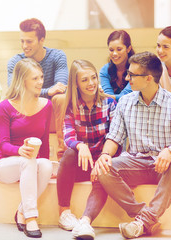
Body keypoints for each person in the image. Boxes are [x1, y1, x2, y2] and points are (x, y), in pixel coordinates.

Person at [94, 52, 171, 239]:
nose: (127, 78)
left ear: (149, 78)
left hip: (165, 167)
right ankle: (145, 219)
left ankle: (141, 221)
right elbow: (114, 138)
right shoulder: (125, 102)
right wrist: (104, 155)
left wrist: (170, 150)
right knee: (103, 168)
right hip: (135, 162)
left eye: (132, 75)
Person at [56, 60, 119, 240]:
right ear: (75, 83)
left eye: (93, 78)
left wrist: (102, 159)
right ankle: (64, 212)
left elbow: (116, 136)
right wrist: (81, 145)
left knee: (108, 166)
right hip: (83, 163)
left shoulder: (109, 103)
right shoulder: (70, 107)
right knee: (69, 154)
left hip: (104, 162)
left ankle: (85, 221)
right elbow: (68, 136)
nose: (91, 83)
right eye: (84, 80)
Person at [0, 58, 53, 238]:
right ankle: (32, 217)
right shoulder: (5, 106)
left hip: (29, 162)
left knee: (47, 166)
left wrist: (46, 163)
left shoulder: (46, 105)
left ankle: (21, 211)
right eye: (34, 78)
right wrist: (19, 151)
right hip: (4, 164)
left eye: (41, 77)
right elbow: (3, 145)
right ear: (22, 80)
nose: (40, 82)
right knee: (28, 161)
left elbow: (45, 141)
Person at [7, 18, 69, 160]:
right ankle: (11, 153)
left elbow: (60, 88)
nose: (24, 46)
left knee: (60, 98)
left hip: (50, 110)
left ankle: (62, 156)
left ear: (42, 40)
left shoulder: (57, 56)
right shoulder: (15, 62)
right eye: (22, 41)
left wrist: (37, 92)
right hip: (24, 107)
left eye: (29, 41)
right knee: (8, 101)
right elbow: (15, 92)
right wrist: (47, 91)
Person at [100, 30, 134, 102]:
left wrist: (102, 95)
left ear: (128, 49)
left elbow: (127, 96)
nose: (114, 53)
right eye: (111, 50)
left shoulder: (137, 69)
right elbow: (108, 100)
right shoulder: (104, 70)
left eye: (119, 49)